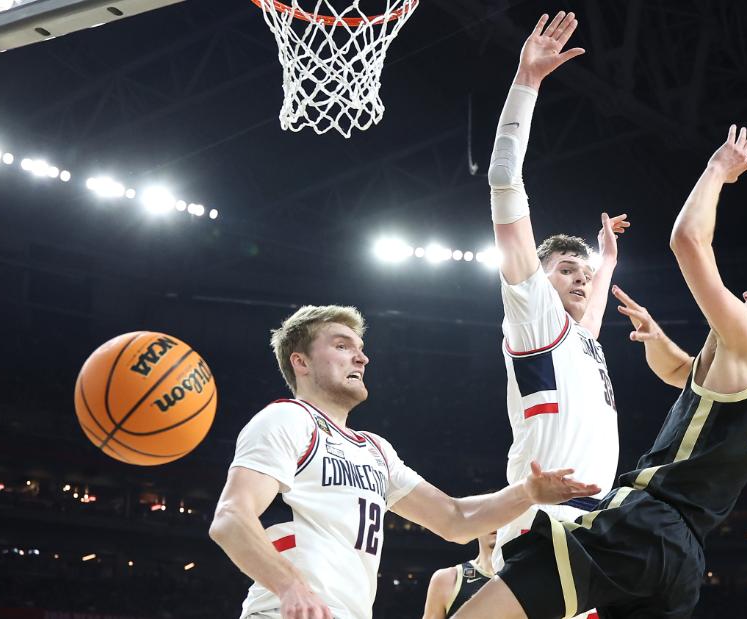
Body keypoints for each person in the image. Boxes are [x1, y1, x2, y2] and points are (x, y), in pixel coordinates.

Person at [453, 123, 747, 618]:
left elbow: (688, 241)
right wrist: (658, 340)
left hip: (642, 526)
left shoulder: (746, 339)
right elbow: (683, 373)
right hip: (682, 561)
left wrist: (718, 169)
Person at [208, 305, 601, 619]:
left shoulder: (375, 449)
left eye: (360, 348)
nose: (361, 357)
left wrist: (527, 492)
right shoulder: (288, 419)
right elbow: (231, 518)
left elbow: (455, 519)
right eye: (343, 346)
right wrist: (289, 586)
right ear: (301, 362)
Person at [487, 9, 629, 573]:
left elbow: (592, 313)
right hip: (541, 520)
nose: (581, 277)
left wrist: (607, 262)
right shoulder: (534, 315)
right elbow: (503, 179)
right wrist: (527, 82)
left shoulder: (580, 339)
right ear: (537, 279)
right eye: (567, 268)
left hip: (591, 523)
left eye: (584, 270)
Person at [421, 531, 496, 619]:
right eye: (490, 517)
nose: (498, 524)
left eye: (503, 518)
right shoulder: (446, 581)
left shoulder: (516, 579)